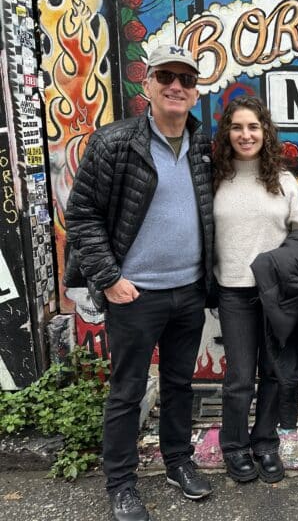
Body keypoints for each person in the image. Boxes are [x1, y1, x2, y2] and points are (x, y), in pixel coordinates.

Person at [64, 44, 214, 521]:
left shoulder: (203, 147)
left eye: (186, 79)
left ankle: (177, 461)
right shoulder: (114, 142)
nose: (176, 86)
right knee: (127, 390)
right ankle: (121, 484)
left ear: (195, 91)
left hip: (188, 291)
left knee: (178, 383)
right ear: (146, 84)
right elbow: (82, 215)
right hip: (134, 295)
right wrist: (108, 280)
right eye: (166, 76)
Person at [212, 96, 298, 484]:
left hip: (278, 295)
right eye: (238, 127)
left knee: (274, 372)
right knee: (240, 377)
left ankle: (265, 443)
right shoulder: (214, 178)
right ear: (227, 132)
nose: (246, 135)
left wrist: (279, 264)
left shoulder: (283, 180)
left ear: (265, 132)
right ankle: (235, 446)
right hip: (234, 291)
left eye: (253, 127)